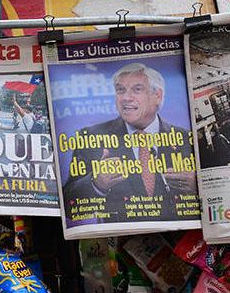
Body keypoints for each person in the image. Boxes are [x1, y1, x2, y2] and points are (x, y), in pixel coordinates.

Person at [62, 63, 196, 222]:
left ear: (157, 96)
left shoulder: (187, 138)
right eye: (120, 90)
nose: (126, 98)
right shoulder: (91, 136)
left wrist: (196, 186)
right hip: (119, 241)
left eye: (137, 89)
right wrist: (96, 184)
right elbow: (68, 208)